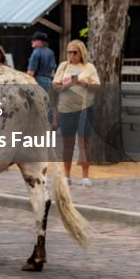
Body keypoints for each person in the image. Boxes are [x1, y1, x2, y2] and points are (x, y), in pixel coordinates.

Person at [51, 39, 100, 187]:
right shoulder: (63, 66)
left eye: (75, 52)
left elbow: (97, 86)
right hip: (66, 109)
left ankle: (85, 175)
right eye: (69, 52)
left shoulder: (89, 67)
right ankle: (67, 175)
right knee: (68, 144)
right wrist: (64, 86)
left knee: (84, 142)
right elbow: (55, 85)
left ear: (81, 52)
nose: (71, 55)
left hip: (84, 108)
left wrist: (84, 83)